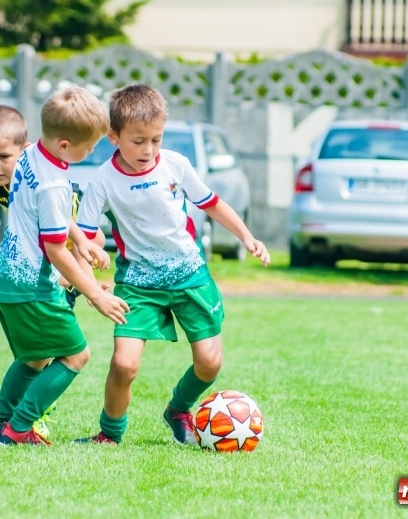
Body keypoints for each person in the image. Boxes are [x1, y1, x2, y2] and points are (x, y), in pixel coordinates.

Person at [75, 84, 270, 445]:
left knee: (210, 364)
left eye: (156, 140)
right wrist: (89, 281)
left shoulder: (176, 164)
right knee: (124, 365)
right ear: (113, 136)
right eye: (138, 141)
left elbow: (212, 203)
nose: (148, 150)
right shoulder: (102, 179)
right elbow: (83, 237)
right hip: (138, 285)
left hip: (190, 277)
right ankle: (110, 434)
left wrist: (247, 237)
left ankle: (178, 408)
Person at [0, 104, 108, 441]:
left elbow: (72, 230)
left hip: (48, 270)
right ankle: (20, 426)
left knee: (40, 355)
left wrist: (84, 262)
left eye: (2, 156)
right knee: (67, 355)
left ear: (26, 145)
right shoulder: (36, 174)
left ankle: (5, 424)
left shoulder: (38, 167)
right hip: (40, 274)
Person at [0, 89, 128, 446]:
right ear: (63, 144)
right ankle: (18, 428)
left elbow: (49, 216)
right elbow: (56, 251)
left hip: (4, 278)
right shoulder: (56, 184)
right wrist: (95, 294)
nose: (90, 153)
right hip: (32, 286)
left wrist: (83, 239)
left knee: (34, 356)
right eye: (87, 148)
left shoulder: (29, 155)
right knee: (76, 355)